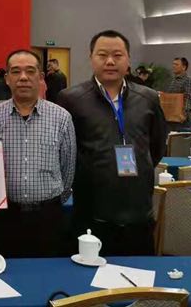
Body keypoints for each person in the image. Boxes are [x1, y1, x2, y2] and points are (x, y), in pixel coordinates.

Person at [57, 30, 167, 256]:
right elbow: (65, 152)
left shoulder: (148, 97)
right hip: (91, 213)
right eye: (102, 55)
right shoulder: (71, 99)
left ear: (128, 60)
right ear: (91, 58)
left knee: (139, 274)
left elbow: (156, 146)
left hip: (138, 211)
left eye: (117, 55)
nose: (110, 61)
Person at [0, 50, 75, 257]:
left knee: (48, 272)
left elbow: (68, 168)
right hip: (4, 218)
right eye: (16, 72)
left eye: (30, 71)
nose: (23, 77)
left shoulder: (61, 118)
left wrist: (54, 201)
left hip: (48, 217)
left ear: (41, 77)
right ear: (7, 78)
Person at [166, 57, 191, 127]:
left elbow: (188, 99)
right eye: (173, 64)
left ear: (184, 67)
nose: (173, 66)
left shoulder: (188, 81)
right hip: (172, 117)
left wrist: (183, 115)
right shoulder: (173, 81)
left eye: (176, 64)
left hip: (182, 119)